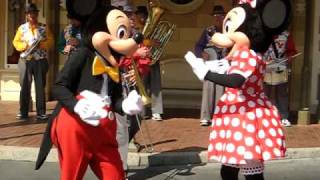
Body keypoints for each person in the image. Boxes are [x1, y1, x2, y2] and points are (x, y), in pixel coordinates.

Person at [35, 3, 144, 179]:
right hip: (75, 126)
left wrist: (125, 105)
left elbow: (114, 98)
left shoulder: (113, 64)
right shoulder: (83, 54)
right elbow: (59, 86)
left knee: (115, 175)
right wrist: (77, 106)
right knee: (72, 175)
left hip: (104, 131)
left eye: (126, 34)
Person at [185, 0, 290, 179]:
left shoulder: (249, 56)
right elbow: (226, 69)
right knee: (228, 170)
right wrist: (205, 66)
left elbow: (236, 81)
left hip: (246, 116)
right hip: (235, 115)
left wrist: (206, 74)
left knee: (251, 171)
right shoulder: (240, 55)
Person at [12, 3, 52, 121]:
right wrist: (24, 45)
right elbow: (15, 42)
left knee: (40, 87)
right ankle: (23, 112)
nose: (32, 15)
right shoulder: (22, 28)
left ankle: (41, 112)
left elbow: (51, 41)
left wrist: (42, 44)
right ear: (26, 15)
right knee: (24, 86)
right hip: (25, 61)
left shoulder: (44, 27)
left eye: (34, 13)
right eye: (30, 13)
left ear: (37, 14)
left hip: (40, 61)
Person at [194, 5, 227, 126]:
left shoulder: (229, 31)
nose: (218, 18)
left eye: (221, 16)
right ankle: (205, 116)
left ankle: (218, 116)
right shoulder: (208, 31)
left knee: (221, 90)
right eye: (215, 16)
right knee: (208, 88)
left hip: (223, 64)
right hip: (210, 63)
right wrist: (201, 53)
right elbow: (198, 46)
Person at [263, 30, 297, 127]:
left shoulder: (286, 35)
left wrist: (290, 56)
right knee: (265, 93)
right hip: (266, 67)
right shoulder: (263, 33)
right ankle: (265, 116)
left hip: (281, 66)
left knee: (282, 93)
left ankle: (283, 117)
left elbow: (291, 50)